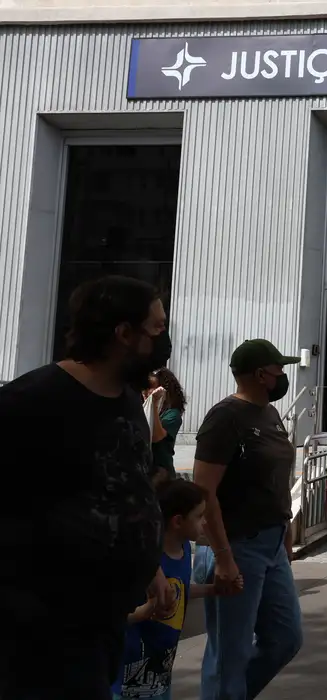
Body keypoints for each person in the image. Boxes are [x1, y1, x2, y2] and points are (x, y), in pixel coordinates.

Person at [0, 275, 175, 700]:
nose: (165, 339)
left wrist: (149, 567)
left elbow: (128, 486)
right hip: (42, 631)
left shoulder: (128, 401)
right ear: (124, 334)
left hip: (106, 619)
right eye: (157, 328)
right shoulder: (30, 403)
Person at [192, 338, 303, 700]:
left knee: (285, 639)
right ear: (260, 375)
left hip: (272, 543)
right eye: (279, 371)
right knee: (230, 654)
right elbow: (203, 492)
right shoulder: (225, 417)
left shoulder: (269, 414)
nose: (284, 376)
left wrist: (285, 525)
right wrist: (223, 557)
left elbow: (277, 475)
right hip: (237, 547)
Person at [113, 479, 229, 700]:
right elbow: (114, 617)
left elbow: (181, 590)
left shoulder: (184, 549)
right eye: (199, 516)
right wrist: (145, 612)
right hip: (127, 682)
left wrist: (213, 590)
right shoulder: (148, 563)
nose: (205, 523)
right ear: (177, 521)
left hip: (162, 673)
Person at [147, 368, 187, 481]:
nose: (147, 391)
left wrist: (153, 404)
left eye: (152, 387)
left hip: (162, 474)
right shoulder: (143, 408)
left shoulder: (172, 415)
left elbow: (156, 437)